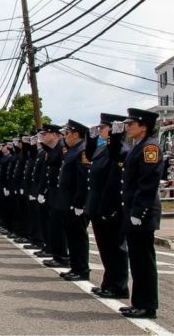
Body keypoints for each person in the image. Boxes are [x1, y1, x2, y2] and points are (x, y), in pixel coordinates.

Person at [118, 108, 163, 319]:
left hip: (142, 212)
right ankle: (139, 302)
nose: (127, 127)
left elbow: (149, 182)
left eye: (131, 124)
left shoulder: (149, 147)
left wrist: (139, 211)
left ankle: (147, 305)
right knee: (137, 260)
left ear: (143, 126)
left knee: (144, 261)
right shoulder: (138, 146)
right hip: (133, 209)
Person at [85, 113, 129, 299]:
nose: (99, 130)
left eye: (102, 128)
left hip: (111, 207)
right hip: (98, 206)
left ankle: (119, 286)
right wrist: (90, 139)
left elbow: (116, 182)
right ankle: (108, 283)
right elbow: (89, 156)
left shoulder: (120, 150)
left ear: (113, 129)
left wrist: (110, 208)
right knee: (105, 248)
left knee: (115, 248)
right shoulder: (103, 149)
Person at [56, 120, 90, 281]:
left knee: (78, 237)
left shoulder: (82, 150)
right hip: (67, 201)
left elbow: (83, 180)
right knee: (72, 237)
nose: (65, 136)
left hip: (75, 203)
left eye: (67, 133)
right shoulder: (73, 150)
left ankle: (81, 269)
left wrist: (79, 203)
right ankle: (75, 267)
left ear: (76, 134)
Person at [40, 124, 69, 267]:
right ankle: (57, 254)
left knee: (59, 226)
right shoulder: (51, 149)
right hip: (52, 191)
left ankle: (62, 256)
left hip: (60, 192)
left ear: (54, 135)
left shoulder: (62, 148)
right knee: (53, 224)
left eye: (45, 134)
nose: (42, 137)